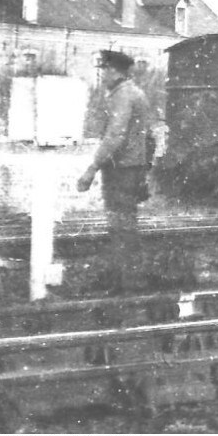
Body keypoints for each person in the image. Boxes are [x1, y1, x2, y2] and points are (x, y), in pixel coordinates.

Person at [76, 50, 153, 289]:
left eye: (104, 70)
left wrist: (92, 168)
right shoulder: (131, 93)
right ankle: (124, 278)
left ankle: (128, 283)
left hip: (122, 170)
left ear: (114, 71)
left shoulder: (123, 96)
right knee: (123, 225)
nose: (102, 74)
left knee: (121, 227)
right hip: (130, 168)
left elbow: (115, 136)